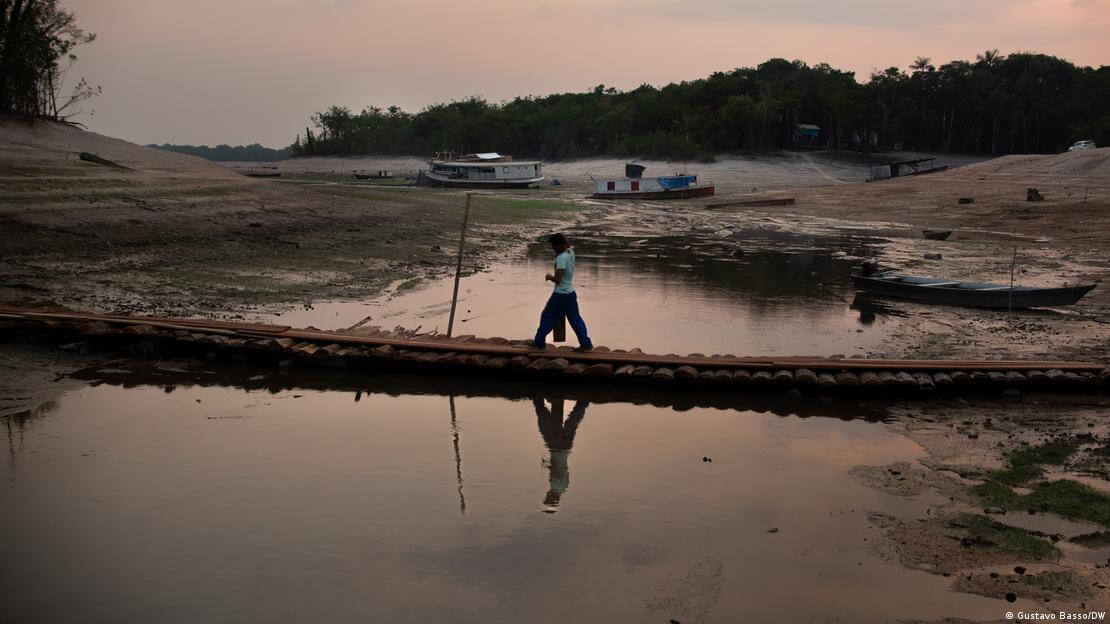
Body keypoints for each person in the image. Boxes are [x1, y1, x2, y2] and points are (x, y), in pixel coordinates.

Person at [533, 233, 593, 351]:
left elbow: (558, 279)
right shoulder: (570, 253)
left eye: (554, 246)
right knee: (575, 319)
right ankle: (586, 344)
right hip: (570, 293)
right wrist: (558, 252)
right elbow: (563, 252)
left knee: (547, 316)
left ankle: (539, 342)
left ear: (560, 245)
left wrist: (549, 276)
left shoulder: (561, 259)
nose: (552, 248)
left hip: (560, 295)